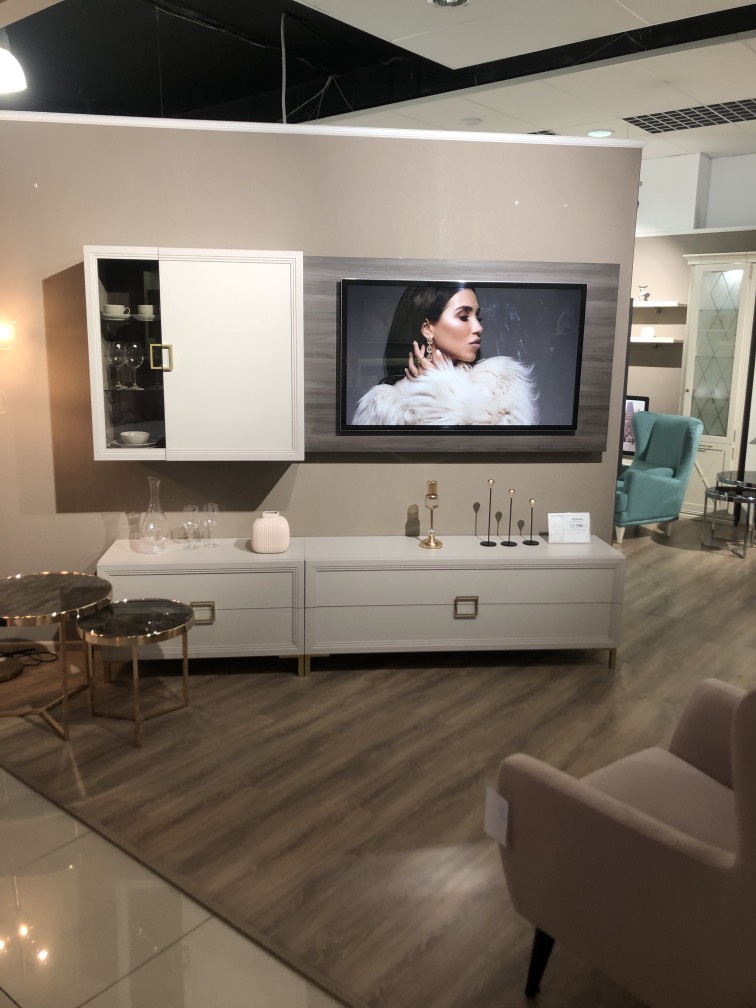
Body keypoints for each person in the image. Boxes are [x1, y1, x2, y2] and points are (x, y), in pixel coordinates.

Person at [351, 282, 538, 426]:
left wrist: (439, 384)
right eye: (464, 317)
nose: (478, 327)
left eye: (478, 317)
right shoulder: (382, 405)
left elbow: (504, 449)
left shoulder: (500, 380)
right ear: (427, 329)